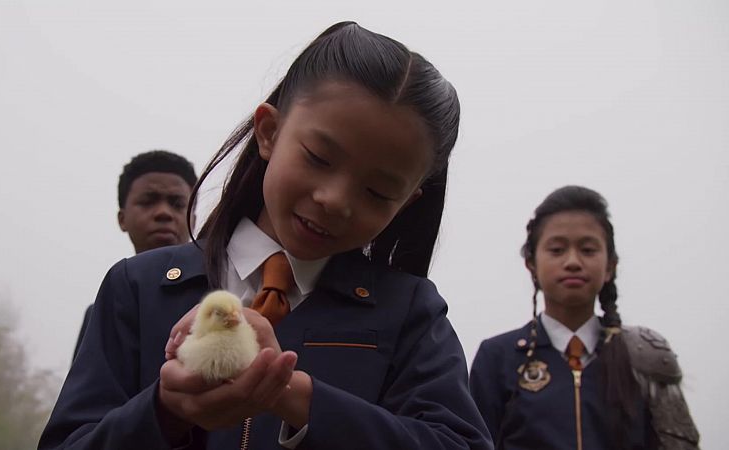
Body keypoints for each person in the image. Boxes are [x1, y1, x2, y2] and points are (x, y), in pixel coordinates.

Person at [40, 21, 492, 450]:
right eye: (319, 157)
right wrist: (163, 410)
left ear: (408, 202)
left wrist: (293, 394)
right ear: (269, 131)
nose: (335, 200)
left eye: (377, 191)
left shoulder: (409, 312)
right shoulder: (138, 287)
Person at [469, 186, 699, 450]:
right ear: (531, 263)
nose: (573, 262)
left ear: (610, 266)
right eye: (556, 250)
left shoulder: (645, 355)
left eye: (588, 250)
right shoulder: (497, 357)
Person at [72, 150, 198, 357]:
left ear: (193, 219)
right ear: (122, 219)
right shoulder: (100, 315)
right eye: (148, 201)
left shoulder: (220, 303)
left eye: (177, 204)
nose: (163, 213)